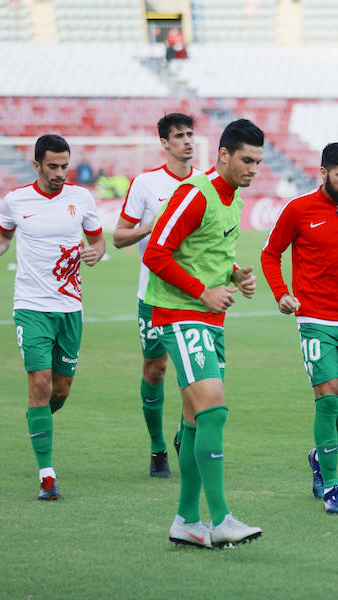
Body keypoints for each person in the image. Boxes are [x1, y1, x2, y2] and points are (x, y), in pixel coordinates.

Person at [143, 119, 263, 549]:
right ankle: (222, 518)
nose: (253, 169)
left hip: (209, 318)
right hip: (180, 313)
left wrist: (235, 275)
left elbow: (209, 253)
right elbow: (156, 252)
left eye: (258, 162)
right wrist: (202, 292)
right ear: (224, 155)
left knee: (196, 420)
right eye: (246, 160)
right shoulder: (196, 193)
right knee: (214, 408)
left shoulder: (232, 200)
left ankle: (187, 521)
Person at [261, 142, 338, 514]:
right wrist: (282, 294)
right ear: (322, 173)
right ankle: (332, 486)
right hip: (315, 318)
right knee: (328, 396)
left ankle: (320, 456)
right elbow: (271, 253)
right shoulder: (299, 210)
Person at [0, 134, 105, 501]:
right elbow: (3, 237)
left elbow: (97, 241)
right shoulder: (16, 200)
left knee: (59, 391)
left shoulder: (81, 199)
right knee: (40, 385)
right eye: (53, 166)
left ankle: (40, 420)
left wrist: (95, 253)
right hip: (31, 306)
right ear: (37, 165)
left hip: (70, 308)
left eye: (65, 166)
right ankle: (47, 476)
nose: (60, 173)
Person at [112, 113, 201, 477]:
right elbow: (118, 237)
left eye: (190, 134)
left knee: (193, 373)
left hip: (194, 294)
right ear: (164, 143)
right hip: (153, 293)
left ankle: (185, 433)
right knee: (155, 369)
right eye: (178, 135)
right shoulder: (146, 184)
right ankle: (156, 447)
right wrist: (149, 227)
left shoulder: (204, 183)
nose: (187, 140)